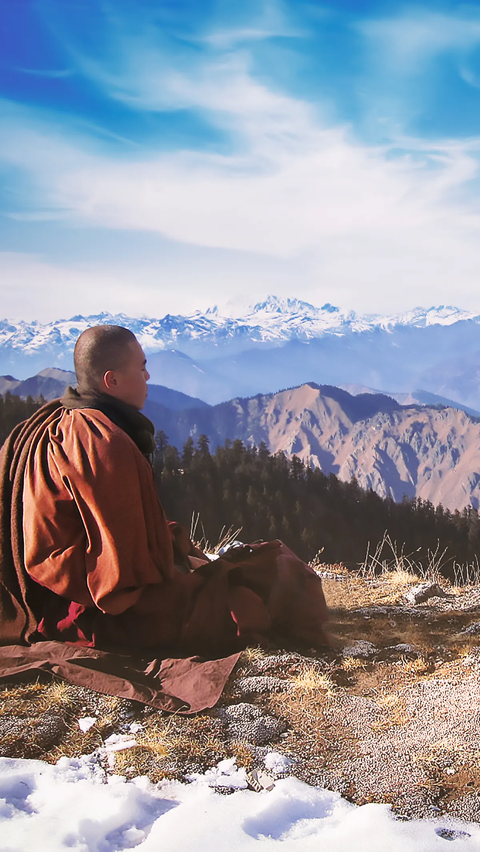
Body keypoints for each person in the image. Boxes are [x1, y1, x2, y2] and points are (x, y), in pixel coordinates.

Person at [0, 325, 328, 657]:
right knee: (273, 582)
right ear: (111, 380)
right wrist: (179, 576)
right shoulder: (102, 445)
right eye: (141, 367)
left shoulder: (58, 421)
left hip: (49, 596)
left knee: (243, 569)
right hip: (91, 612)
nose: (148, 375)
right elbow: (120, 579)